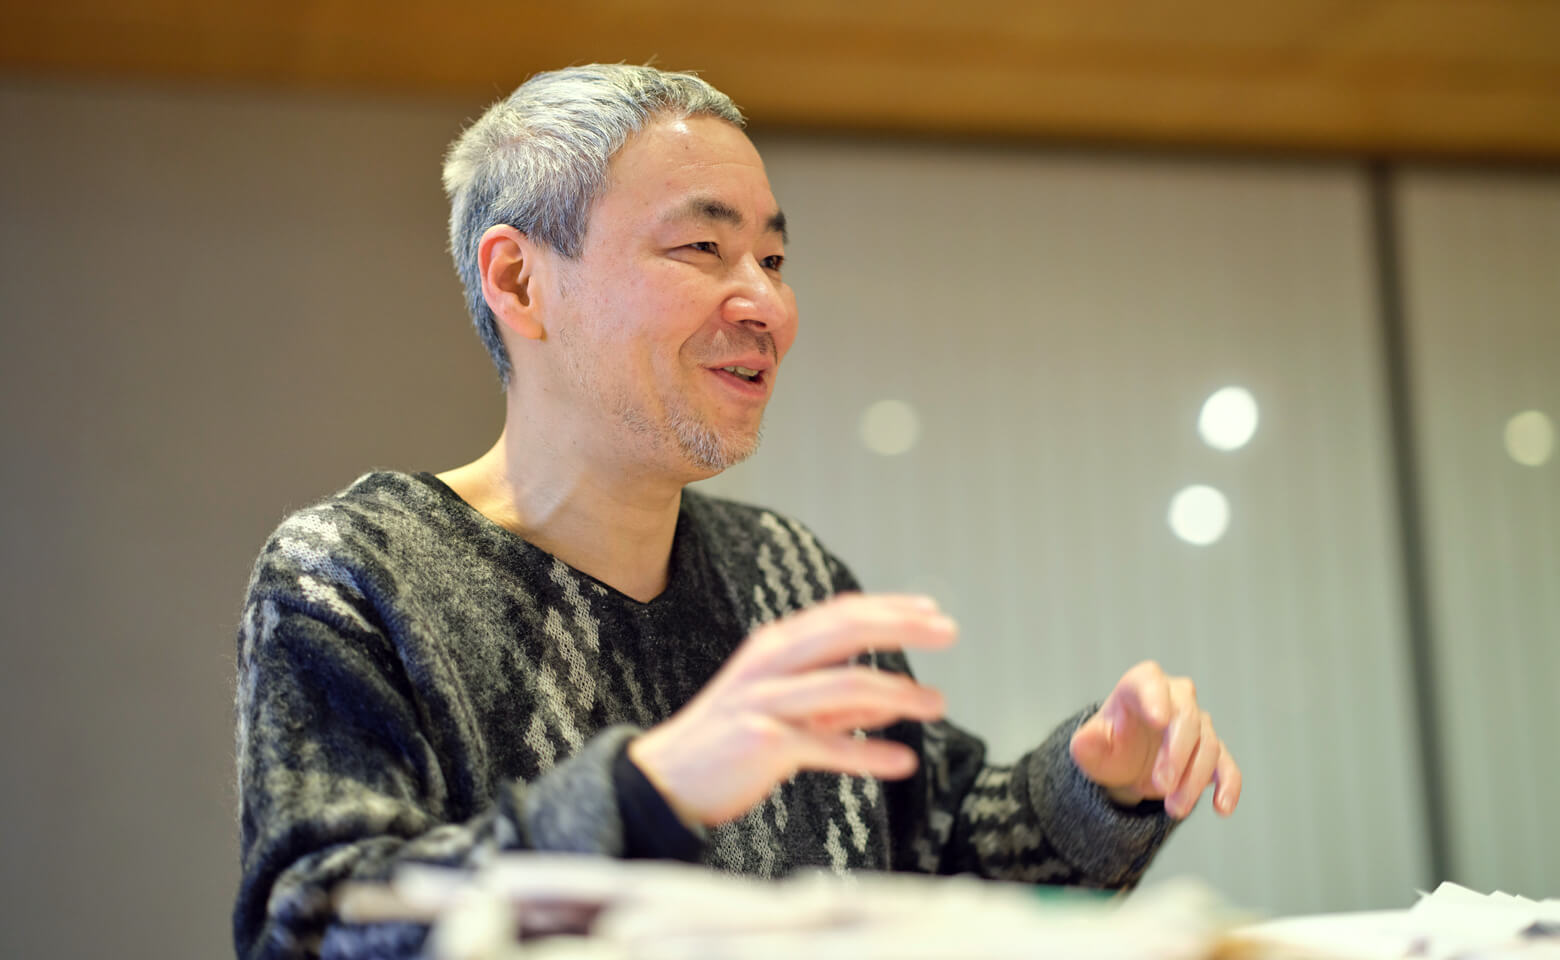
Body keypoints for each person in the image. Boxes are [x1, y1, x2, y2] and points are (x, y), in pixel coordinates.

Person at [233, 64, 1242, 960]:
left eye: (774, 259)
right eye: (703, 247)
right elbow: (316, 923)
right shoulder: (356, 573)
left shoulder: (789, 575)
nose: (767, 305)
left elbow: (940, 868)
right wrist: (646, 793)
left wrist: (1099, 780)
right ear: (519, 280)